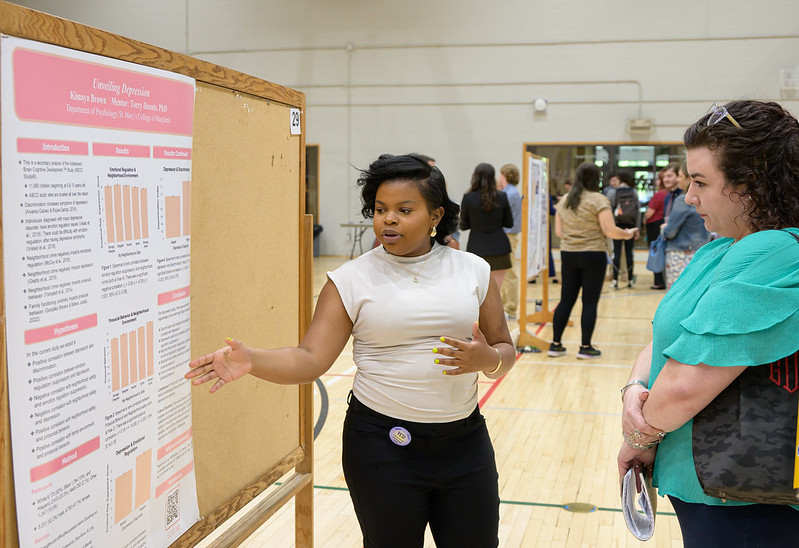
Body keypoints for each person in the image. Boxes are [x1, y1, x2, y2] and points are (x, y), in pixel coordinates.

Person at [186, 153, 515, 547]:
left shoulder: (473, 269)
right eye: (380, 209)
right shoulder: (350, 279)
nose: (388, 219)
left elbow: (504, 349)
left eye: (403, 210)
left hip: (464, 443)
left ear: (435, 216)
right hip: (381, 447)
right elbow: (310, 359)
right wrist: (252, 360)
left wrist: (488, 360)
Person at [617, 100, 799, 547]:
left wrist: (640, 434)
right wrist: (633, 391)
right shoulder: (721, 250)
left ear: (751, 185)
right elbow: (666, 341)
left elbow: (685, 386)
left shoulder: (780, 252)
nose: (689, 196)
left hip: (744, 499)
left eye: (700, 182)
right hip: (705, 488)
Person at [548, 162, 638, 359]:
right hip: (593, 255)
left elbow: (559, 232)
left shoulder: (564, 201)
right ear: (596, 179)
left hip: (568, 254)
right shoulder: (598, 200)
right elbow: (609, 230)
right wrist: (628, 234)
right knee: (589, 302)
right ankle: (585, 347)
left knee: (566, 300)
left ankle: (555, 345)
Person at [461, 163, 514, 292]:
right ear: (493, 177)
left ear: (475, 177)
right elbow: (509, 223)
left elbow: (463, 225)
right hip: (500, 248)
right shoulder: (502, 196)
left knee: (477, 292)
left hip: (476, 248)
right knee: (497, 292)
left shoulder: (468, 198)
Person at [661, 162, 711, 288]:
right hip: (702, 252)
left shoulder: (683, 200)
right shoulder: (706, 198)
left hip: (680, 253)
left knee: (676, 296)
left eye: (679, 176)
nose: (678, 180)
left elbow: (670, 231)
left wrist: (664, 229)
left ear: (689, 178)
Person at [609, 169, 641, 289]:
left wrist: (611, 227)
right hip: (631, 226)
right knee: (629, 253)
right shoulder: (634, 192)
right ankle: (630, 281)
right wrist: (637, 228)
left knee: (616, 253)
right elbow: (637, 211)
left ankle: (615, 280)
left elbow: (610, 210)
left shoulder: (613, 192)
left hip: (617, 225)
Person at [498, 163, 522, 319]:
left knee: (509, 272)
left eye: (501, 174)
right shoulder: (508, 192)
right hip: (506, 235)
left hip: (509, 235)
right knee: (505, 272)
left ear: (505, 175)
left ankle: (511, 308)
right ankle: (505, 306)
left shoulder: (509, 194)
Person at [643, 169, 669, 289]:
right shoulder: (669, 194)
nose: (657, 181)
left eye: (658, 179)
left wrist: (643, 220)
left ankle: (658, 281)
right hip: (662, 224)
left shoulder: (659, 194)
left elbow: (649, 212)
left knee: (655, 252)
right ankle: (662, 280)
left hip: (654, 226)